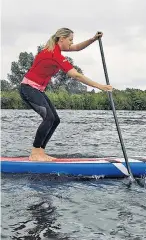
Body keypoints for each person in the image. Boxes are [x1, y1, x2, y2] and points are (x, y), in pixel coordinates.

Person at [19, 28, 113, 162]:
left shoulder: (55, 50)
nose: (72, 43)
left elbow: (77, 48)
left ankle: (41, 152)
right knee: (49, 118)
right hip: (28, 88)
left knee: (55, 120)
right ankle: (35, 153)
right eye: (70, 40)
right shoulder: (54, 54)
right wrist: (100, 86)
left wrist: (93, 39)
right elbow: (76, 75)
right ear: (61, 39)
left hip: (37, 89)